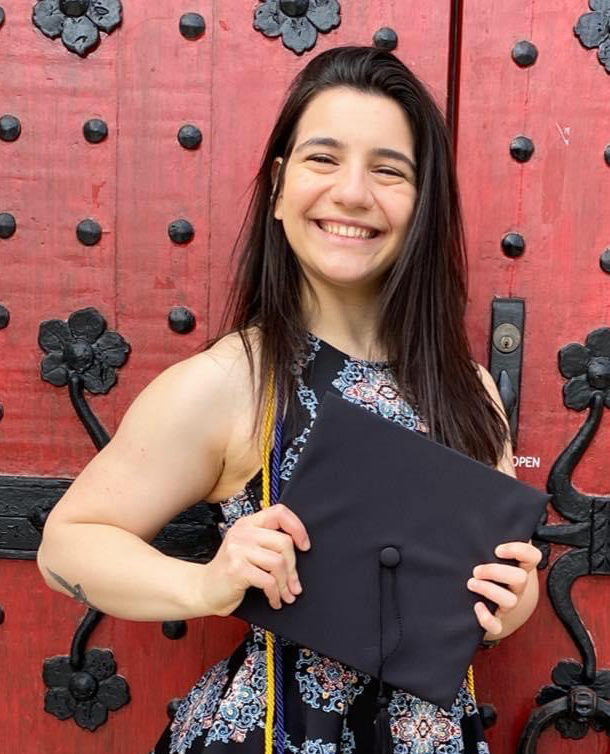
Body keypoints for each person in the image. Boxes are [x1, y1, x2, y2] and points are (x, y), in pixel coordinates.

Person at [37, 45, 542, 753]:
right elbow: (67, 543)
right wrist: (206, 586)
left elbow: (496, 589)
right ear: (279, 186)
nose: (353, 193)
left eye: (389, 171)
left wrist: (511, 605)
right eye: (323, 159)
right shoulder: (233, 381)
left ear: (422, 203)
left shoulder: (471, 391)